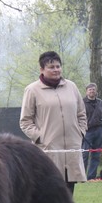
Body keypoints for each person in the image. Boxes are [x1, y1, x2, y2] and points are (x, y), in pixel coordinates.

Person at [20, 51, 87, 194]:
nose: (56, 70)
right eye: (51, 67)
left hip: (71, 150)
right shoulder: (32, 90)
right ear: (42, 69)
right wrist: (41, 138)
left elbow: (81, 114)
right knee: (49, 194)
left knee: (69, 194)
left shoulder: (72, 87)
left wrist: (80, 133)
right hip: (48, 151)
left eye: (58, 66)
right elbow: (25, 121)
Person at [82, 83, 102, 180]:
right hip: (87, 131)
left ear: (96, 91)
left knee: (96, 155)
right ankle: (82, 176)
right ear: (86, 92)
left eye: (93, 89)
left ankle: (91, 177)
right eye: (90, 90)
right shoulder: (82, 103)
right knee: (84, 154)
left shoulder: (100, 103)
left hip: (99, 131)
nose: (92, 91)